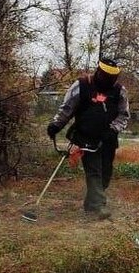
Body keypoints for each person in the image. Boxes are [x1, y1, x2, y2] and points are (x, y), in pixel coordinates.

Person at [46, 58, 130, 219]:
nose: (110, 80)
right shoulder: (82, 85)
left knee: (105, 174)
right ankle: (98, 207)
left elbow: (124, 115)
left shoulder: (119, 91)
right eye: (106, 76)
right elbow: (67, 108)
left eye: (113, 77)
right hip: (86, 137)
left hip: (108, 139)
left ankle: (92, 202)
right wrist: (56, 125)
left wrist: (114, 129)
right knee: (94, 171)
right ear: (99, 72)